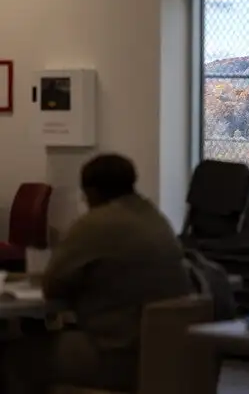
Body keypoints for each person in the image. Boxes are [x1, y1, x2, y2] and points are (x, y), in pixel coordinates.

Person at [3, 153, 192, 394]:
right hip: (164, 355)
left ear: (91, 192)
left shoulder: (95, 223)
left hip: (116, 356)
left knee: (14, 356)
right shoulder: (155, 218)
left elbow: (53, 285)